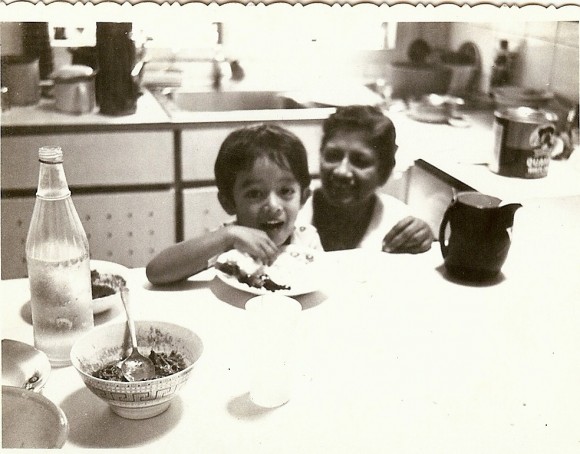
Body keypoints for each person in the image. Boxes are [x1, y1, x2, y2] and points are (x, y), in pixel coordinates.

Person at [146, 123, 322, 285]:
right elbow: (155, 273)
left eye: (285, 191)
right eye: (254, 194)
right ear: (228, 202)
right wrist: (226, 236)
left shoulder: (306, 240)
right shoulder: (228, 241)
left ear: (304, 197)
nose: (273, 205)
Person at [297, 104, 433, 253]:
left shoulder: (398, 222)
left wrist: (423, 238)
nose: (342, 171)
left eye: (360, 161)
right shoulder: (291, 211)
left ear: (384, 172)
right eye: (333, 156)